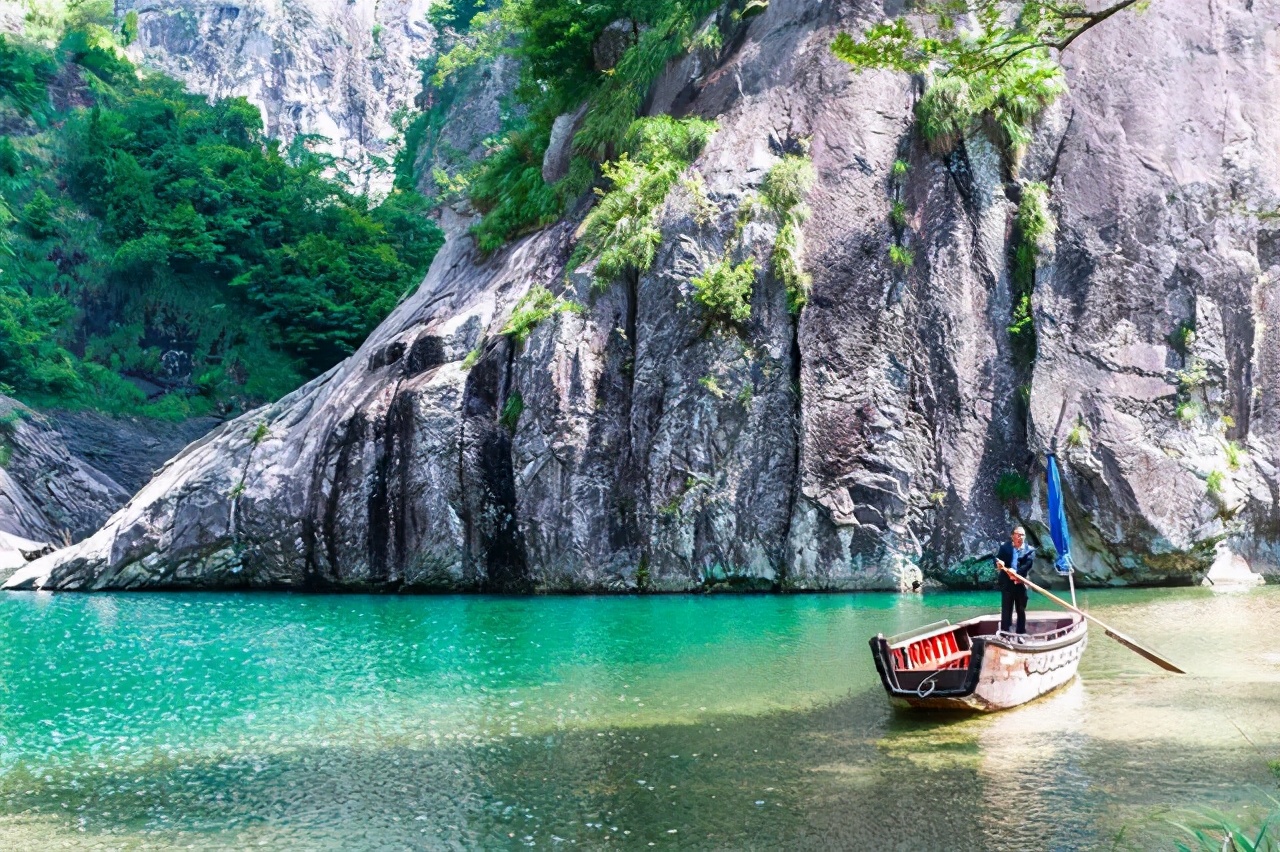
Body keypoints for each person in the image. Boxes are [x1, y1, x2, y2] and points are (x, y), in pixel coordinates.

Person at [994, 526, 1035, 634]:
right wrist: (999, 563)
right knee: (1006, 609)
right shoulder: (1005, 547)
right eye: (1018, 534)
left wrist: (1016, 574)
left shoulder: (1029, 550)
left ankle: (1021, 632)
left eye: (1022, 535)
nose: (1020, 537)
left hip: (1021, 582)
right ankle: (1004, 632)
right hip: (1006, 583)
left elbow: (1028, 565)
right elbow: (997, 559)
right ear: (1012, 536)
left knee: (1021, 609)